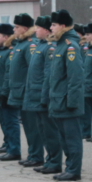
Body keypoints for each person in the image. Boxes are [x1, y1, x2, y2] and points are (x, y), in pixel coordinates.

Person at [47, 10, 85, 181]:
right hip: (59, 100)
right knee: (64, 138)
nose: (51, 28)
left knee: (72, 138)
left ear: (63, 26)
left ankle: (74, 170)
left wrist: (72, 102)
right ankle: (69, 168)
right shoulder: (61, 44)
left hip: (67, 102)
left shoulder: (70, 46)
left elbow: (75, 77)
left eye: (54, 25)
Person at [24, 16, 62, 171]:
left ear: (46, 31)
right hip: (35, 94)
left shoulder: (50, 47)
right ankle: (49, 160)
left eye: (38, 28)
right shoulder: (40, 45)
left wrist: (44, 96)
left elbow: (48, 74)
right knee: (43, 131)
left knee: (50, 131)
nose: (35, 30)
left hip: (42, 96)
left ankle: (55, 162)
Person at [8, 14, 44, 165]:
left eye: (16, 27)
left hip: (27, 92)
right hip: (20, 92)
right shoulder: (20, 44)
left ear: (24, 28)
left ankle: (36, 156)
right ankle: (32, 154)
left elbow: (33, 69)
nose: (14, 30)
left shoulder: (30, 45)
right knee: (28, 126)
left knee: (32, 126)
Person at [0, 24, 20, 160]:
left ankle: (14, 150)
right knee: (4, 122)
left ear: (6, 37)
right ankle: (7, 144)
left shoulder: (9, 52)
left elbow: (8, 75)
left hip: (5, 93)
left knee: (10, 122)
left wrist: (5, 93)